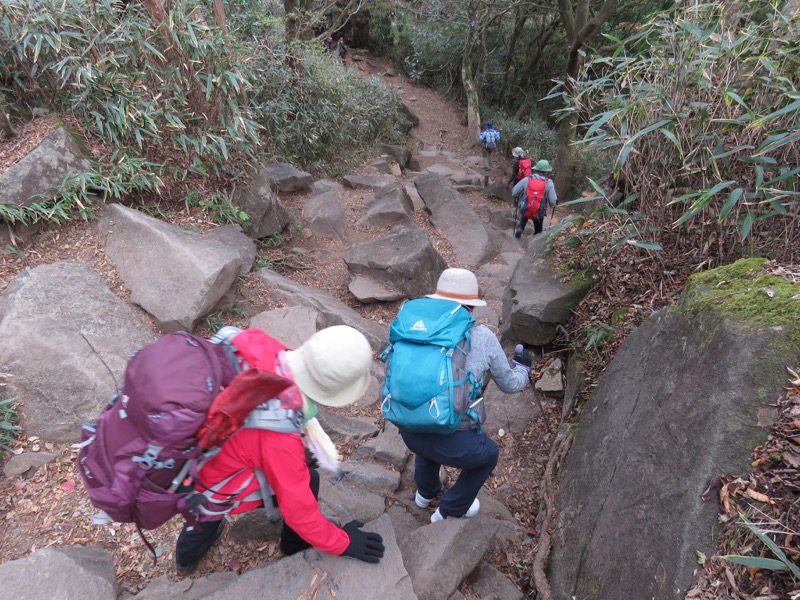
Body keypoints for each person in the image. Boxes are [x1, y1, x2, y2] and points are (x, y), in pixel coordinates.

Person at [175, 325, 385, 574]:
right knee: (210, 509)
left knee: (203, 515)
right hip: (209, 479)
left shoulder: (256, 342)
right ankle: (292, 546)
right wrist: (344, 543)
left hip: (192, 449)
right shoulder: (278, 437)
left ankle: (185, 560)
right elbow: (300, 513)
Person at [397, 268, 531, 522]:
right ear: (471, 305)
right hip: (453, 441)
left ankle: (425, 493)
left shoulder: (413, 329)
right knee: (488, 455)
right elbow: (510, 384)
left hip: (409, 428)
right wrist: (523, 369)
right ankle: (450, 510)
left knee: (428, 426)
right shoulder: (481, 337)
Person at [511, 159, 557, 238]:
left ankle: (520, 228)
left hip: (526, 207)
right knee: (538, 219)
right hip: (539, 210)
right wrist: (553, 204)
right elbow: (553, 200)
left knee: (526, 212)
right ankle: (537, 235)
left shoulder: (527, 179)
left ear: (536, 169)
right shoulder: (549, 182)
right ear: (546, 171)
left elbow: (514, 192)